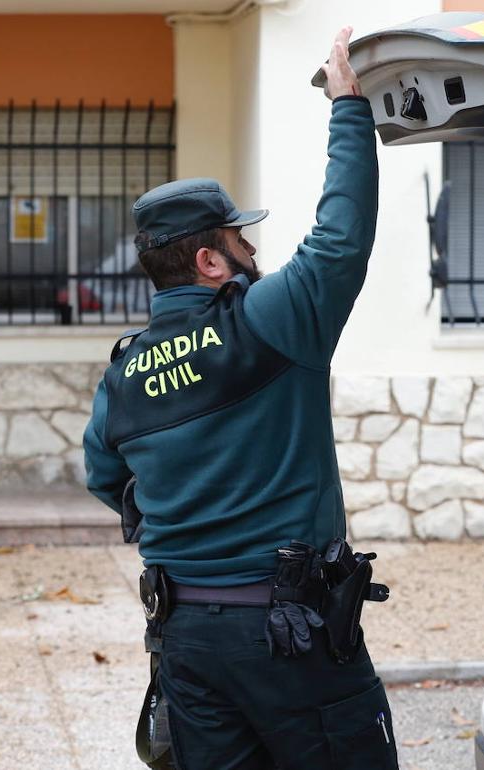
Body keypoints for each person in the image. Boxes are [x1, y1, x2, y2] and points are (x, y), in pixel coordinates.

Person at [83, 28, 396, 770]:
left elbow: (105, 478)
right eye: (242, 242)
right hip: (291, 637)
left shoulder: (125, 371)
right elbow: (339, 242)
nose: (256, 253)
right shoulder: (268, 323)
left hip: (186, 642)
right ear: (209, 259)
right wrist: (349, 109)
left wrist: (189, 507)